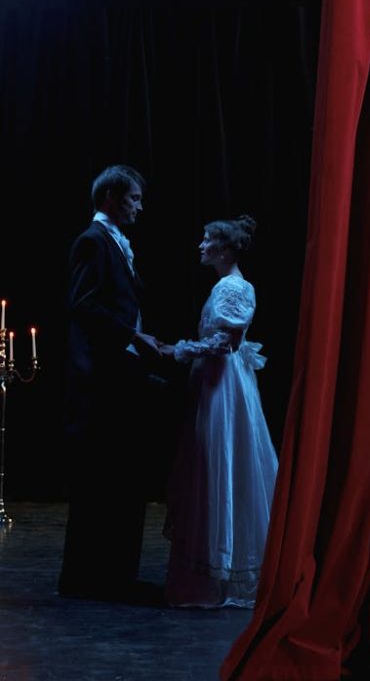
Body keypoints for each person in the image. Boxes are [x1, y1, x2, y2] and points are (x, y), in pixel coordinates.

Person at [159, 215, 278, 608]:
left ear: (224, 249)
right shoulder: (226, 285)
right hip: (217, 382)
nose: (201, 245)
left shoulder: (234, 287)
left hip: (223, 385)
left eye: (207, 240)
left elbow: (224, 343)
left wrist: (176, 350)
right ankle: (210, 573)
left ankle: (220, 573)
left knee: (221, 464)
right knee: (211, 466)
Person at [59, 164, 162, 603]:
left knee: (121, 478)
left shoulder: (115, 243)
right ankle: (91, 579)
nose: (140, 206)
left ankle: (115, 576)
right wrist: (133, 335)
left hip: (122, 374)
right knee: (103, 480)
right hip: (102, 381)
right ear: (110, 199)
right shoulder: (93, 241)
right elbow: (81, 305)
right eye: (133, 198)